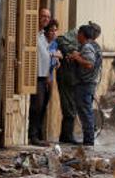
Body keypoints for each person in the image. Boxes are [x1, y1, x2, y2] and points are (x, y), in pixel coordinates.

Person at [68, 22, 102, 146]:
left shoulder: (87, 47)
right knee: (86, 111)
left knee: (85, 111)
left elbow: (89, 64)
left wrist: (77, 58)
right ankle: (88, 138)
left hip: (85, 84)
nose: (77, 36)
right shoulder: (91, 46)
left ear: (82, 34)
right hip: (87, 84)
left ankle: (88, 140)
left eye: (79, 33)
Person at [28, 11, 58, 145]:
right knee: (36, 106)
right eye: (43, 16)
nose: (46, 19)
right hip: (34, 75)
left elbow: (46, 55)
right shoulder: (33, 33)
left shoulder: (41, 36)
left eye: (48, 17)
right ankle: (33, 136)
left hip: (43, 76)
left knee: (42, 106)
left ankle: (38, 136)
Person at [55, 27, 80, 144]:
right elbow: (59, 40)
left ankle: (66, 136)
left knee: (71, 109)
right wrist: (71, 51)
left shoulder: (83, 45)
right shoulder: (66, 40)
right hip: (66, 79)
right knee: (69, 110)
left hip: (73, 81)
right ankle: (67, 136)